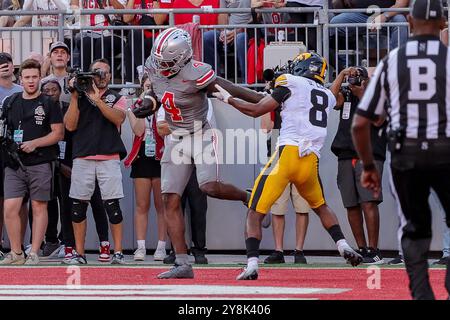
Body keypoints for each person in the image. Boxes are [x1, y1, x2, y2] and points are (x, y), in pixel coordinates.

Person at [213, 52, 363, 280]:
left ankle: (252, 264)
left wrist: (228, 99)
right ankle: (343, 245)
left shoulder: (290, 82)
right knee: (321, 206)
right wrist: (342, 75)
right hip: (310, 161)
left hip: (287, 156)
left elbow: (256, 110)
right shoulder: (326, 95)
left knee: (254, 211)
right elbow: (332, 94)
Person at [133, 27, 264, 279]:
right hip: (175, 136)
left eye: (168, 62)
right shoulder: (156, 66)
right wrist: (146, 103)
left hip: (201, 133)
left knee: (209, 187)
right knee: (170, 199)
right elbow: (157, 94)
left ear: (182, 57)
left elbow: (227, 88)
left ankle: (248, 197)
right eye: (160, 61)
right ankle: (182, 263)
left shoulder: (198, 73)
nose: (162, 67)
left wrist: (261, 98)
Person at [352, 0, 450, 300]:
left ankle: (422, 294)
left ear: (409, 21)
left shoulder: (392, 60)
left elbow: (361, 124)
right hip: (446, 149)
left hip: (405, 152)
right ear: (444, 24)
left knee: (413, 228)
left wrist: (368, 167)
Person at [0, 59, 64, 265]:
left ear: (40, 78)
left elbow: (58, 133)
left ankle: (34, 251)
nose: (30, 81)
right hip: (14, 163)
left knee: (38, 206)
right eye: (27, 77)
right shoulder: (10, 102)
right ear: (21, 78)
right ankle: (16, 252)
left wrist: (35, 143)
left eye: (34, 77)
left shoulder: (48, 103)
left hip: (41, 161)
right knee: (10, 207)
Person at [64, 58, 128, 265]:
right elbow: (70, 126)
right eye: (97, 72)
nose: (101, 75)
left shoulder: (116, 97)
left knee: (112, 205)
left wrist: (97, 100)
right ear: (90, 74)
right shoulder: (79, 97)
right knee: (77, 207)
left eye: (105, 72)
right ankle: (79, 254)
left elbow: (118, 119)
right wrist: (75, 96)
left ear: (110, 76)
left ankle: (117, 252)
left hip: (109, 158)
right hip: (82, 157)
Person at [40, 79, 111, 262]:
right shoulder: (42, 114)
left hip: (82, 160)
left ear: (60, 91)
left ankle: (104, 243)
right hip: (57, 165)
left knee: (96, 202)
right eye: (46, 90)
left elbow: (74, 129)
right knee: (65, 207)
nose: (50, 93)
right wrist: (60, 165)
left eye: (54, 90)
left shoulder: (72, 105)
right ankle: (68, 245)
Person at [330, 66, 387, 264]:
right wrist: (342, 74)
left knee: (368, 202)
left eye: (359, 77)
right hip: (345, 154)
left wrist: (362, 93)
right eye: (353, 77)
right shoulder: (346, 96)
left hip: (368, 156)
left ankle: (374, 249)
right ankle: (361, 248)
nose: (355, 81)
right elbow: (330, 98)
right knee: (351, 205)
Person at [125, 74, 167, 262]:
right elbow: (139, 131)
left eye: (153, 87)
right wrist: (142, 108)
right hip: (142, 157)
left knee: (162, 206)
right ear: (142, 88)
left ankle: (161, 246)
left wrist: (156, 107)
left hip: (161, 155)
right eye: (147, 86)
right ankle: (140, 247)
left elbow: (166, 130)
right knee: (142, 205)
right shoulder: (134, 107)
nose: (149, 89)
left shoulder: (164, 107)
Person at [260, 108, 309, 265]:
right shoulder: (275, 100)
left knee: (302, 207)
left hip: (301, 155)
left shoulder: (303, 99)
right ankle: (278, 250)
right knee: (277, 207)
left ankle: (299, 250)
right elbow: (265, 128)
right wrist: (266, 103)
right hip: (278, 157)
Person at [121, 0, 171, 95]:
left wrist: (155, 2)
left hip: (158, 38)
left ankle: (130, 84)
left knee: (131, 45)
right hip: (138, 39)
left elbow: (159, 21)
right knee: (132, 37)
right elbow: (126, 19)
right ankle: (140, 73)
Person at [0, 51, 23, 258]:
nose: (4, 66)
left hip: (16, 148)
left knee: (19, 199)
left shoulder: (21, 90)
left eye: (7, 62)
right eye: (0, 63)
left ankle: (18, 246)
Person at [202, 0, 252, 81]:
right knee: (207, 37)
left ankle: (247, 84)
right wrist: (223, 32)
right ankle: (214, 82)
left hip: (247, 31)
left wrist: (237, 31)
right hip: (228, 31)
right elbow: (223, 14)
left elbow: (257, 15)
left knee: (241, 38)